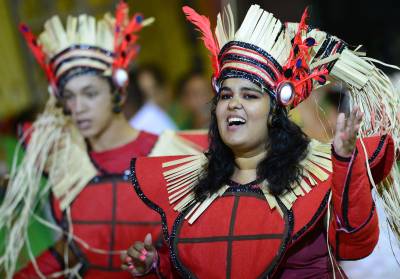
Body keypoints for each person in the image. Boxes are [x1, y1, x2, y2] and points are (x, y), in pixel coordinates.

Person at [122, 4, 399, 278]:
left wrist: (346, 162)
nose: (233, 104)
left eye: (250, 96)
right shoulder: (194, 188)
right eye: (226, 96)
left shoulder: (316, 178)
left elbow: (355, 244)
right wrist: (154, 267)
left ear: (274, 112)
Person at [0, 2, 205, 278]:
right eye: (69, 96)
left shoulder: (168, 154)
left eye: (90, 93)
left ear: (117, 92)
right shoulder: (69, 163)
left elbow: (200, 249)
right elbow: (77, 249)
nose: (78, 107)